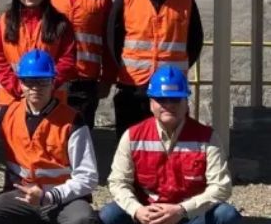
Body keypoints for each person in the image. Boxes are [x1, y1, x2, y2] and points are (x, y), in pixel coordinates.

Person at [102, 68, 242, 224]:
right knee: (110, 214)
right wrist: (137, 210)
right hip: (147, 215)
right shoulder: (132, 136)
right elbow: (118, 182)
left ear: (186, 102)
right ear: (151, 103)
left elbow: (221, 186)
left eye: (175, 99)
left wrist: (181, 210)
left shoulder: (207, 138)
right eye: (161, 99)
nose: (168, 105)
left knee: (226, 215)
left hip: (190, 216)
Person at [0, 50, 97, 224]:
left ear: (52, 82)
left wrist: (49, 197)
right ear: (21, 83)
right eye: (29, 81)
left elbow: (88, 177)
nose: (35, 88)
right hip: (21, 194)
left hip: (62, 198)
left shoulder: (73, 121)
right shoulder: (5, 115)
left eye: (42, 82)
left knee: (83, 219)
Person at [110, 0, 204, 136]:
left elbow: (194, 43)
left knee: (171, 145)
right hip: (133, 88)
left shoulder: (186, 2)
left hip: (171, 89)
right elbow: (112, 41)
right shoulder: (126, 0)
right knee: (130, 145)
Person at [48, 0, 115, 127]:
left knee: (81, 139)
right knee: (52, 139)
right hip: (52, 79)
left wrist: (107, 79)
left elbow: (109, 43)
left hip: (86, 81)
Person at [0, 0, 76, 107]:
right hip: (12, 98)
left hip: (51, 99)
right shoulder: (5, 21)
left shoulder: (60, 23)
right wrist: (15, 86)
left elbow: (67, 59)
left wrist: (46, 86)